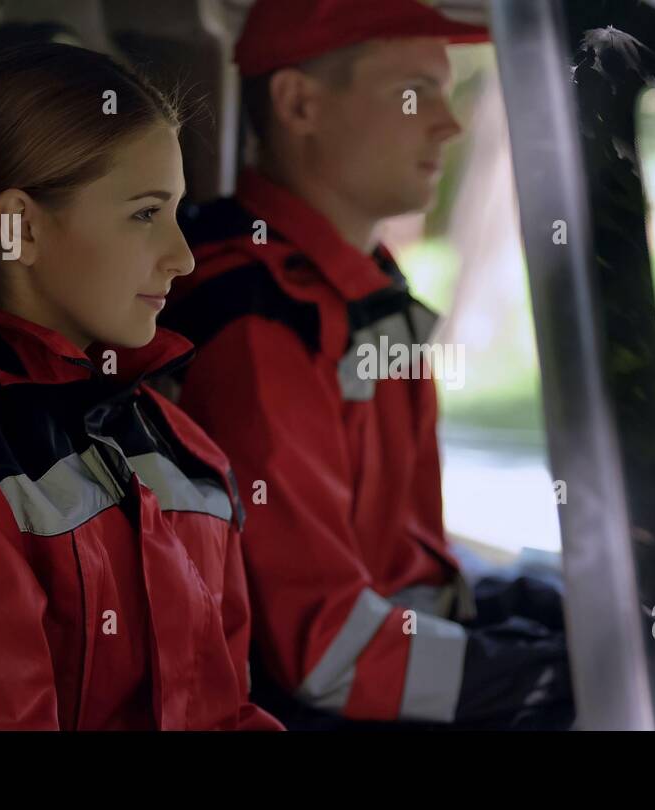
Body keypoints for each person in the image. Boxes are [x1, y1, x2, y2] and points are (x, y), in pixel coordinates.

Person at [159, 0, 573, 728]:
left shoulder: (359, 286)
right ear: (299, 104)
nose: (449, 122)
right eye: (415, 91)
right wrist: (549, 674)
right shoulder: (257, 325)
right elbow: (328, 652)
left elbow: (411, 575)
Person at [0, 43, 280, 730]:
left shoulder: (179, 443)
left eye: (177, 212)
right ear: (20, 228)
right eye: (145, 213)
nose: (183, 257)